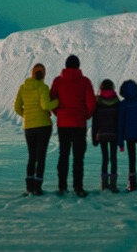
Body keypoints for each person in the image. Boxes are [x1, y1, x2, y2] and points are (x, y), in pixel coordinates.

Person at [49, 54, 96, 197]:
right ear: (78, 66)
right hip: (79, 124)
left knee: (63, 155)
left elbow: (52, 100)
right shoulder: (85, 81)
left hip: (63, 124)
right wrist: (86, 115)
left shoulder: (57, 81)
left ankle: (62, 187)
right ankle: (78, 187)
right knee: (78, 157)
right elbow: (91, 103)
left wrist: (59, 114)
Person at [14, 63, 59, 196]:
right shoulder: (43, 87)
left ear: (32, 73)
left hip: (29, 127)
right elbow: (46, 106)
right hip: (44, 126)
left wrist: (27, 116)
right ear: (43, 75)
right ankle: (38, 187)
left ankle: (29, 186)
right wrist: (57, 101)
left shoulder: (23, 88)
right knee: (41, 156)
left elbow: (17, 108)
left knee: (32, 156)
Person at [91, 79, 120, 193]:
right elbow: (119, 121)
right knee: (113, 158)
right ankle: (113, 185)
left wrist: (94, 138)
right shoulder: (117, 102)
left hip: (101, 135)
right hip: (114, 134)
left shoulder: (97, 103)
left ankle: (104, 185)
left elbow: (95, 122)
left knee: (105, 158)